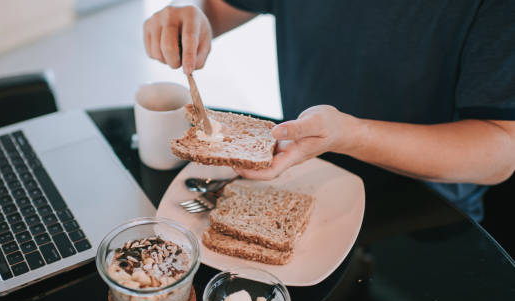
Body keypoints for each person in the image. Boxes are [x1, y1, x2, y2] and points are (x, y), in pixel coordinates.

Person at [143, 0, 515, 221]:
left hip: (423, 212)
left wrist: (353, 135)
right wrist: (191, 15)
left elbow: (500, 148)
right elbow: (220, 7)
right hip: (303, 171)